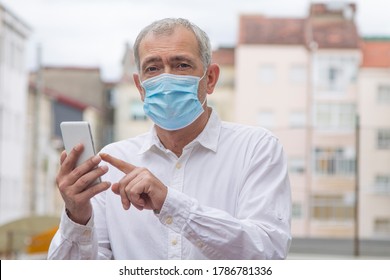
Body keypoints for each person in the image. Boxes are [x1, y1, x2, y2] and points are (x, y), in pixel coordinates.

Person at [48, 18, 292, 260]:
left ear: (210, 79)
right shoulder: (112, 163)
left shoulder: (255, 149)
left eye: (182, 65)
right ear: (140, 86)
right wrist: (77, 217)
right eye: (152, 68)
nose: (166, 80)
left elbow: (267, 253)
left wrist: (170, 203)